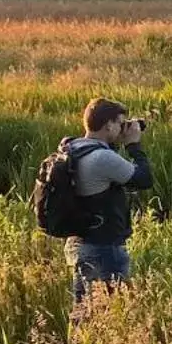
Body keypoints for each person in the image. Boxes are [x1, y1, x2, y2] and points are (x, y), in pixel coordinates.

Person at [62, 97, 154, 306]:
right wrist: (134, 146)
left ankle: (76, 340)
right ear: (108, 125)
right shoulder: (102, 158)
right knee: (113, 313)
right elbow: (144, 179)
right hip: (103, 248)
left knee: (84, 311)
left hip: (79, 242)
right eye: (121, 124)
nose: (123, 128)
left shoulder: (73, 148)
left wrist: (117, 139)